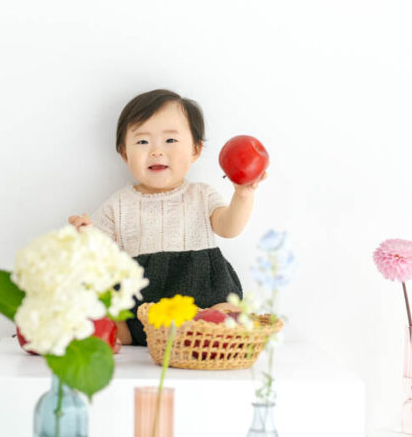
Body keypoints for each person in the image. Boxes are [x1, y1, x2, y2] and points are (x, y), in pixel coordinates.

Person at [69, 89, 265, 345]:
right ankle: (121, 333)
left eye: (170, 140)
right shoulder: (118, 204)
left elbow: (229, 227)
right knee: (106, 311)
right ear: (125, 153)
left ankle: (209, 331)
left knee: (227, 313)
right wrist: (84, 234)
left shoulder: (201, 194)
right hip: (143, 306)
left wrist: (243, 195)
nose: (156, 151)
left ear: (195, 150)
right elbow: (99, 254)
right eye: (142, 142)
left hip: (203, 299)